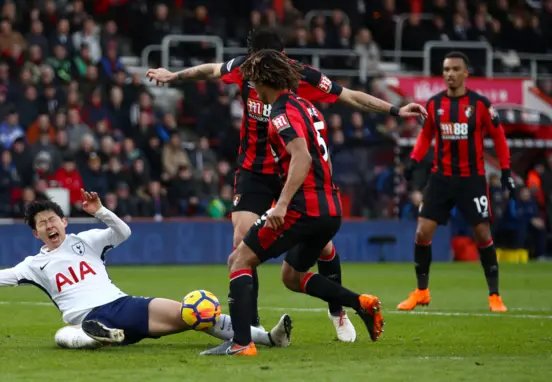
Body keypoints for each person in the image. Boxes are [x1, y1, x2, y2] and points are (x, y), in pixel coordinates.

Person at [146, 27, 426, 343]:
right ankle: (250, 328)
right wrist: (174, 76)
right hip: (253, 171)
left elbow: (348, 96)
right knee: (242, 242)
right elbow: (212, 70)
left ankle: (339, 312)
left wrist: (394, 109)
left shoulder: (298, 76)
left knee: (321, 246)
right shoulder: (243, 68)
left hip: (291, 171)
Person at [199, 50, 384, 357]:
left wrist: (282, 205)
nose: (251, 88)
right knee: (291, 277)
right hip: (330, 207)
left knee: (239, 260)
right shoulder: (307, 105)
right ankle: (361, 303)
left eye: (254, 80)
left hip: (302, 207)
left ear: (265, 79)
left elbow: (301, 155)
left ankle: (242, 343)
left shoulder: (280, 113)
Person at [0, 189, 292, 350]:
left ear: (63, 221)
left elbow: (123, 232)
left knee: (194, 313)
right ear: (35, 232)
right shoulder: (35, 264)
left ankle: (267, 338)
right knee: (64, 336)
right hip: (86, 314)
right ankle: (96, 334)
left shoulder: (86, 240)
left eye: (52, 219)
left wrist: (101, 212)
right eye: (41, 223)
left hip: (124, 305)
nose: (49, 225)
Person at [400, 51, 516, 312]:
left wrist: (506, 170)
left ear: (466, 73)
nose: (449, 74)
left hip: (472, 179)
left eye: (454, 69)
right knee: (422, 232)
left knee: (482, 233)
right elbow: (426, 136)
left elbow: (499, 137)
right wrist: (413, 160)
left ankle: (494, 296)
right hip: (441, 179)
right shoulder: (433, 104)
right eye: (446, 69)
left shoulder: (481, 105)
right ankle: (421, 292)